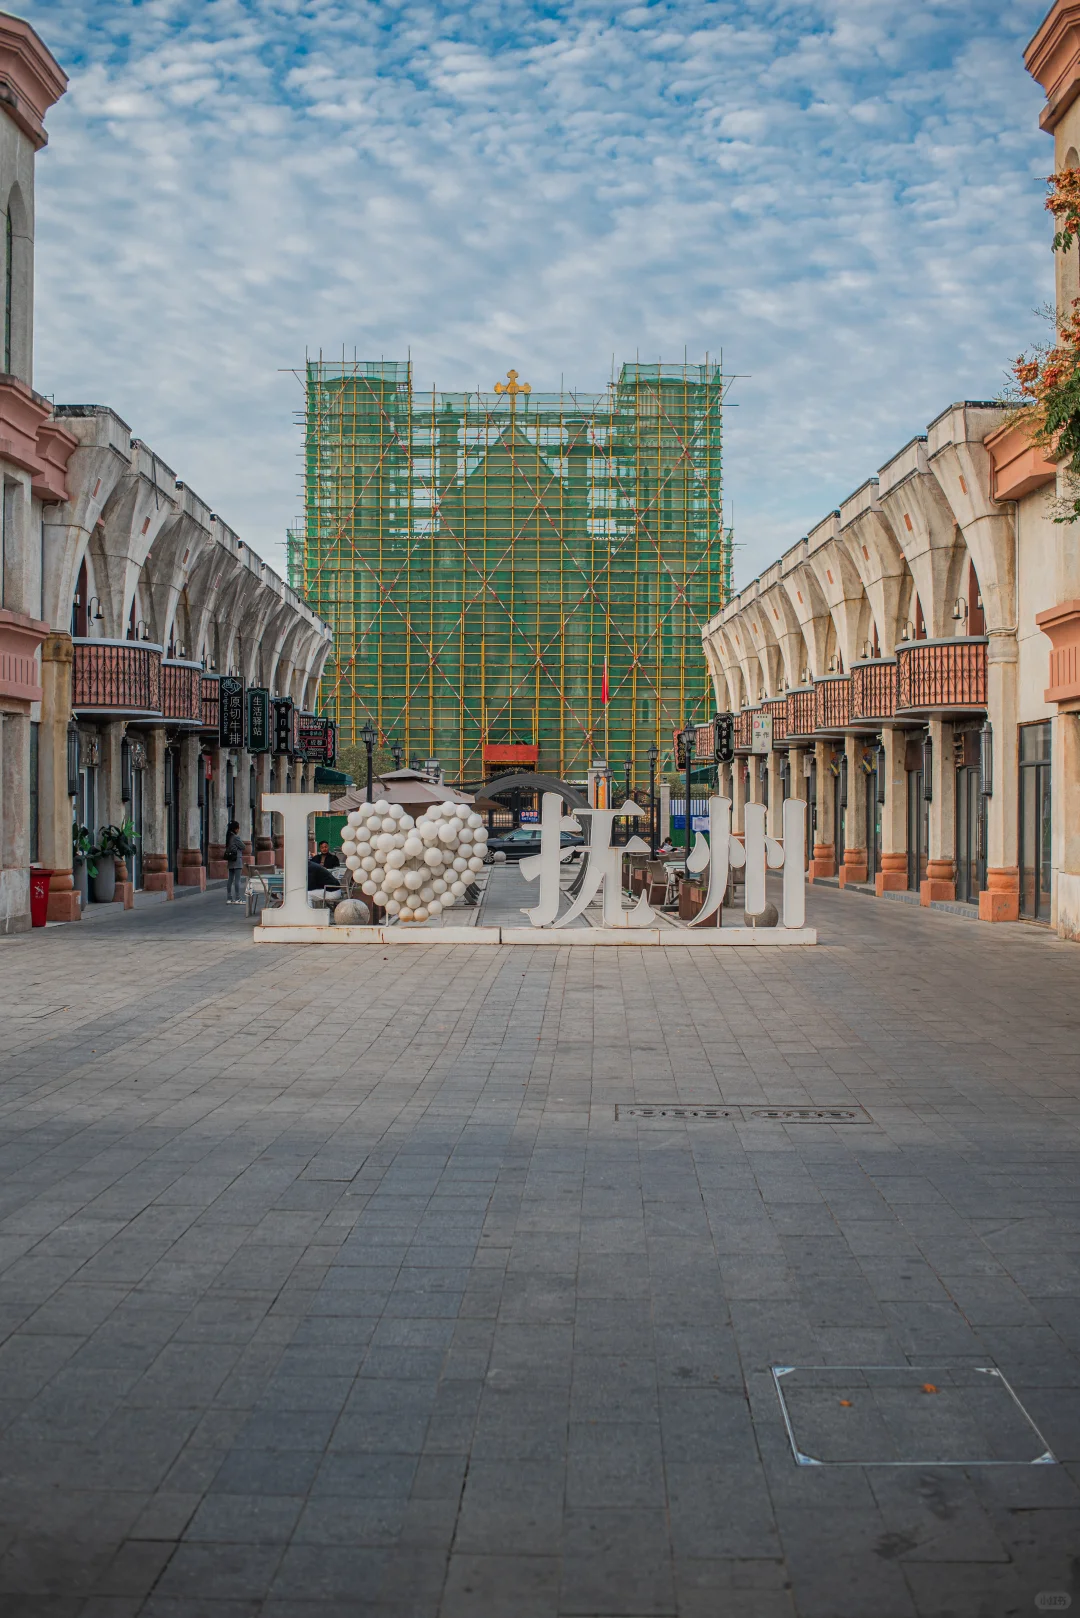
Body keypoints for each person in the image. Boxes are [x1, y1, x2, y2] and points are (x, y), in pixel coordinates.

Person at [225, 821, 246, 904]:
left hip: (230, 860)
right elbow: (243, 846)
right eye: (238, 828)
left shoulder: (228, 837)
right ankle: (238, 898)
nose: (239, 830)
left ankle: (229, 898)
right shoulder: (235, 837)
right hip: (237, 860)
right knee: (237, 880)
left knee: (230, 879)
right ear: (235, 829)